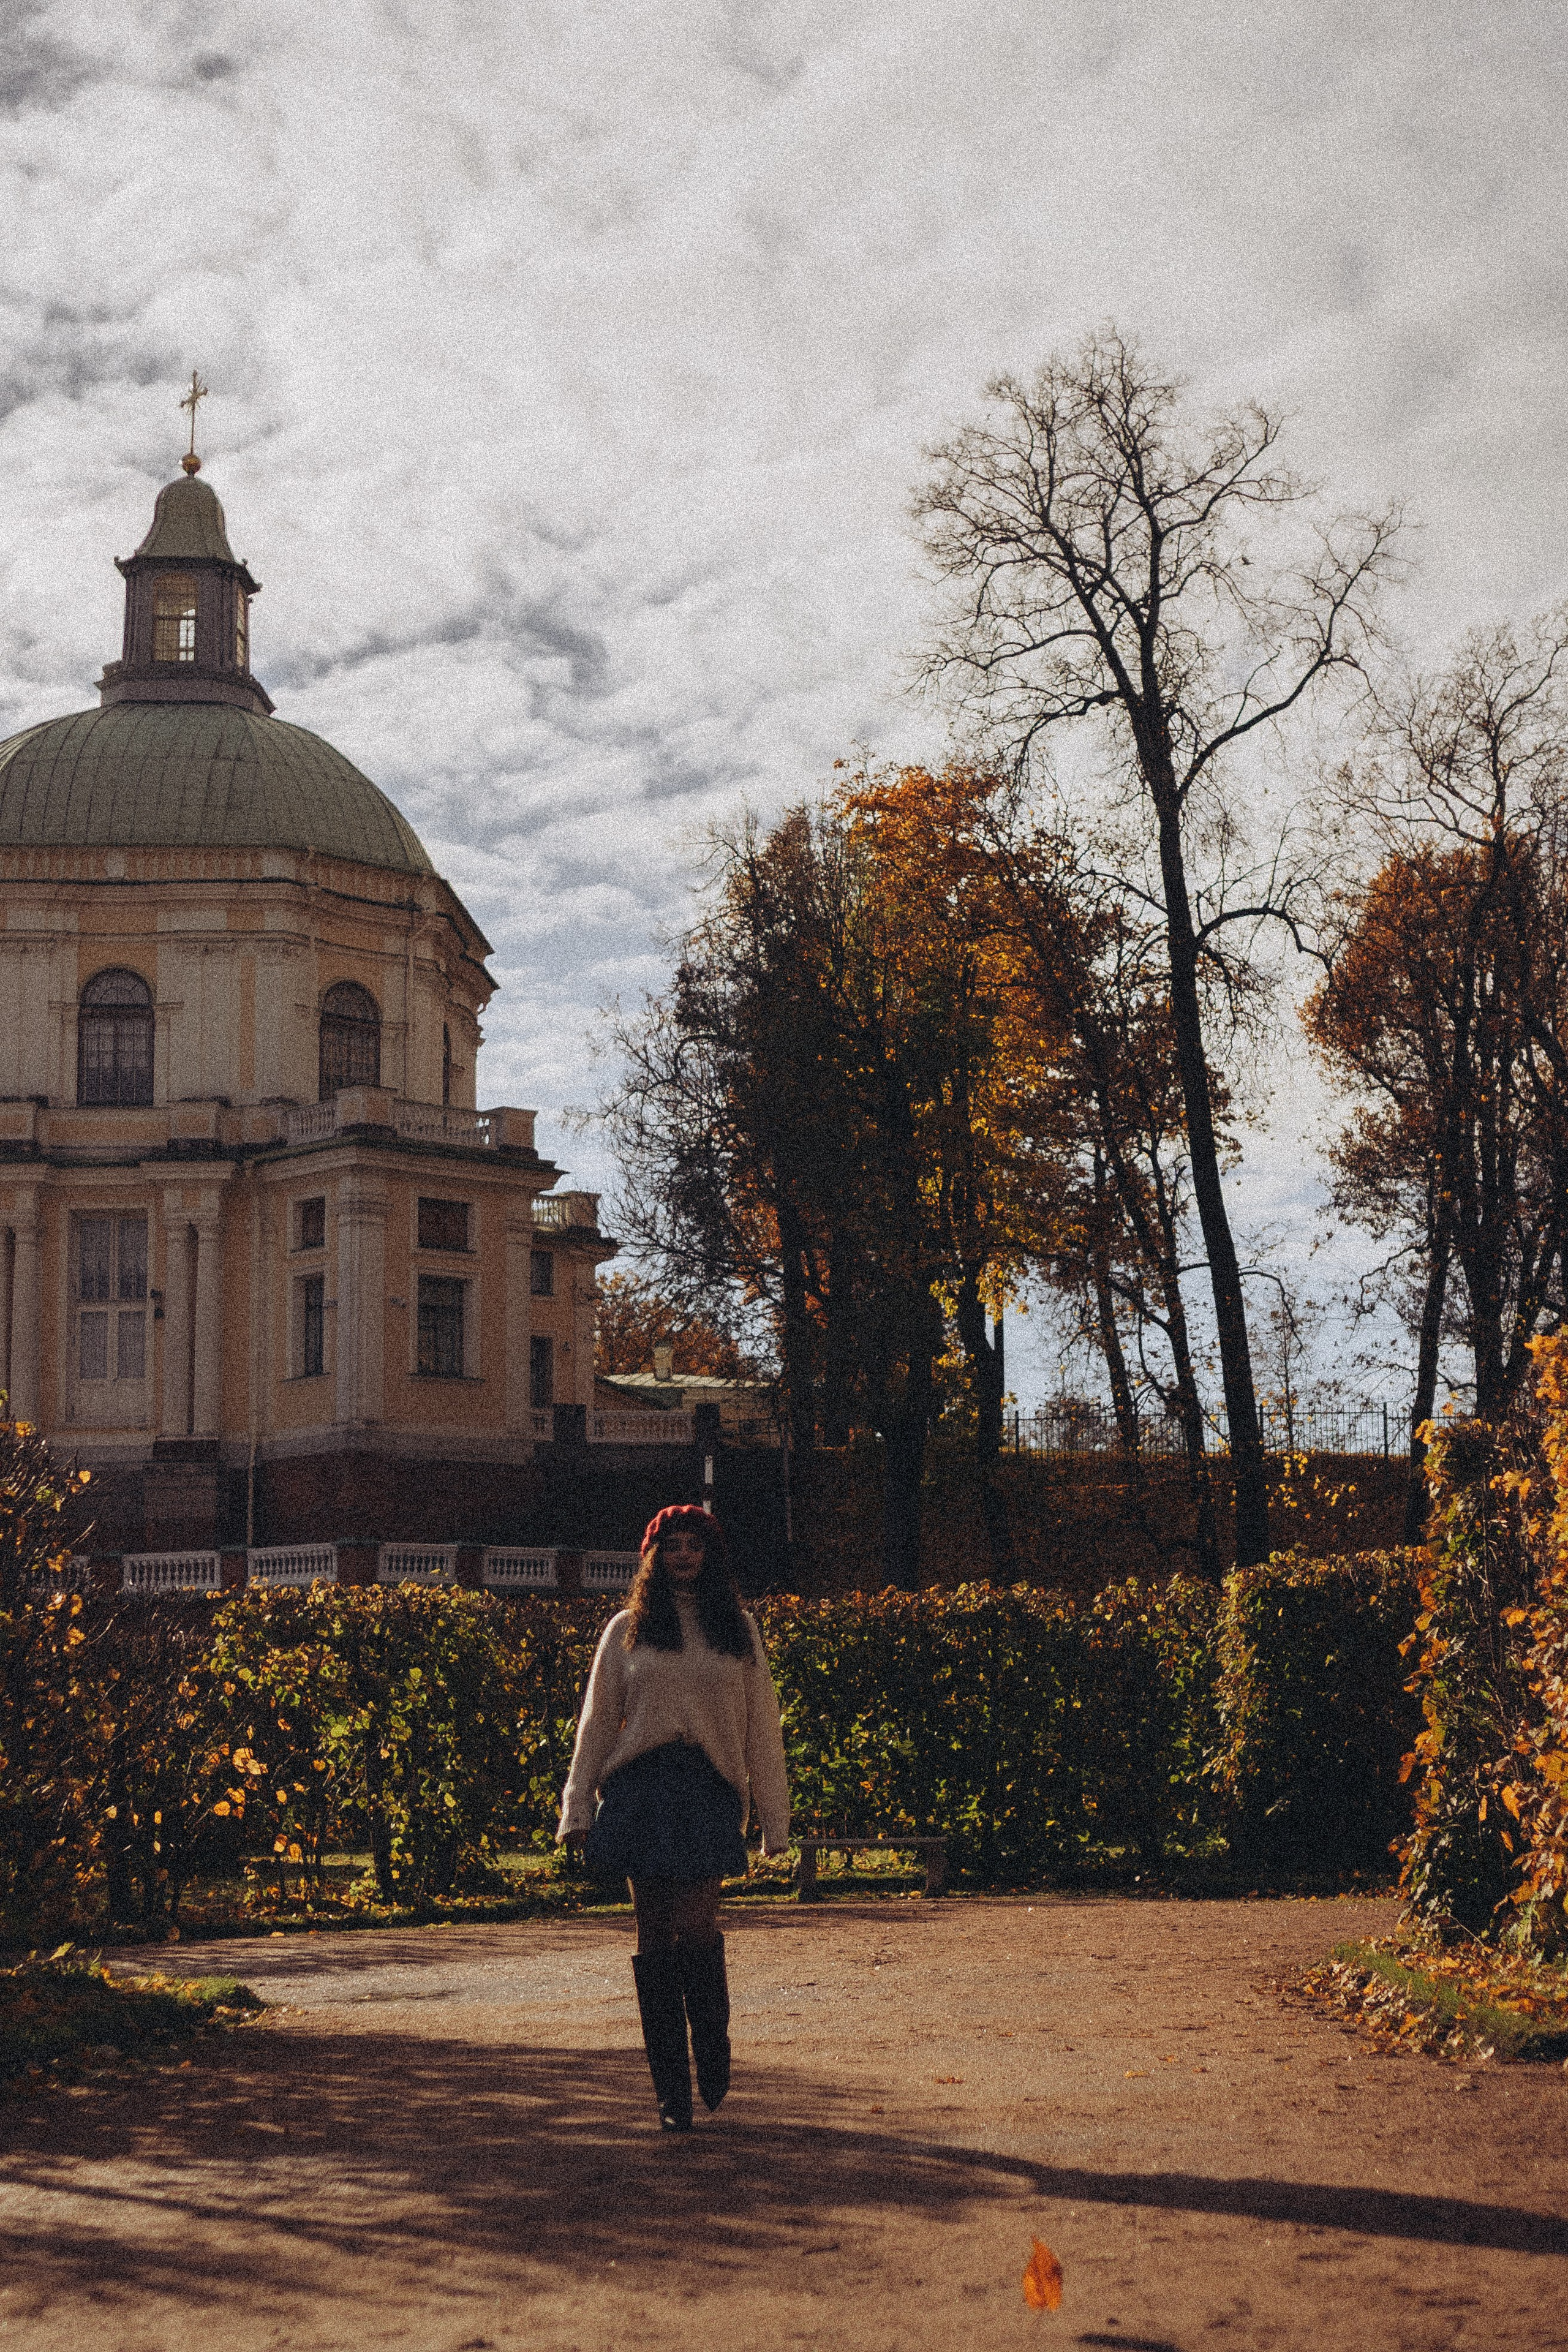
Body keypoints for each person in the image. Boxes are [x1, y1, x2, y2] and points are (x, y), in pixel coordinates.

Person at [558, 1504, 790, 2132]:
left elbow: (762, 1725)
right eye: (673, 1546)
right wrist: (577, 1806)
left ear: (710, 1557)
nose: (684, 1555)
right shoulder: (626, 1629)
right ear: (653, 1557)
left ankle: (711, 2044)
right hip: (640, 1790)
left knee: (696, 1927)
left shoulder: (737, 1630)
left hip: (708, 1788)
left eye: (694, 1545)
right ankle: (670, 2091)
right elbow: (597, 1722)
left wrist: (775, 1820)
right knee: (653, 1936)